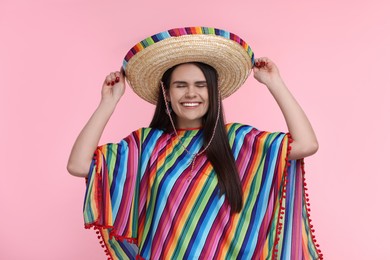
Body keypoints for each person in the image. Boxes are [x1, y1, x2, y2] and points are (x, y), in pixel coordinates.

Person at [67, 27, 323, 260]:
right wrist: (108, 102)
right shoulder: (145, 145)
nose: (191, 93)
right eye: (181, 85)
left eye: (201, 85)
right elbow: (79, 164)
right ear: (166, 93)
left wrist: (274, 83)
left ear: (214, 93)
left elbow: (306, 144)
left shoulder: (238, 140)